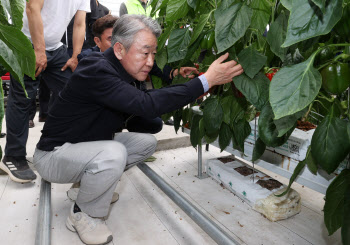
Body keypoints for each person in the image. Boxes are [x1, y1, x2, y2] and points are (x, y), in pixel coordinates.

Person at [33, 14, 243, 245]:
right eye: (145, 53)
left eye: (153, 53)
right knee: (114, 153)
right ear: (120, 50)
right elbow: (146, 103)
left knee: (146, 143)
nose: (151, 61)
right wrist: (205, 80)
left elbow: (144, 101)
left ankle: (86, 188)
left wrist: (183, 82)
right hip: (54, 156)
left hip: (80, 149)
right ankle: (84, 214)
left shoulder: (122, 70)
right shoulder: (96, 69)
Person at [0, 0, 90, 183]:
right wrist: (39, 50)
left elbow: (80, 23)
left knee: (75, 94)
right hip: (27, 43)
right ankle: (13, 156)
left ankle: (57, 146)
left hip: (56, 49)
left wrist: (75, 56)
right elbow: (32, 7)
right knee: (24, 98)